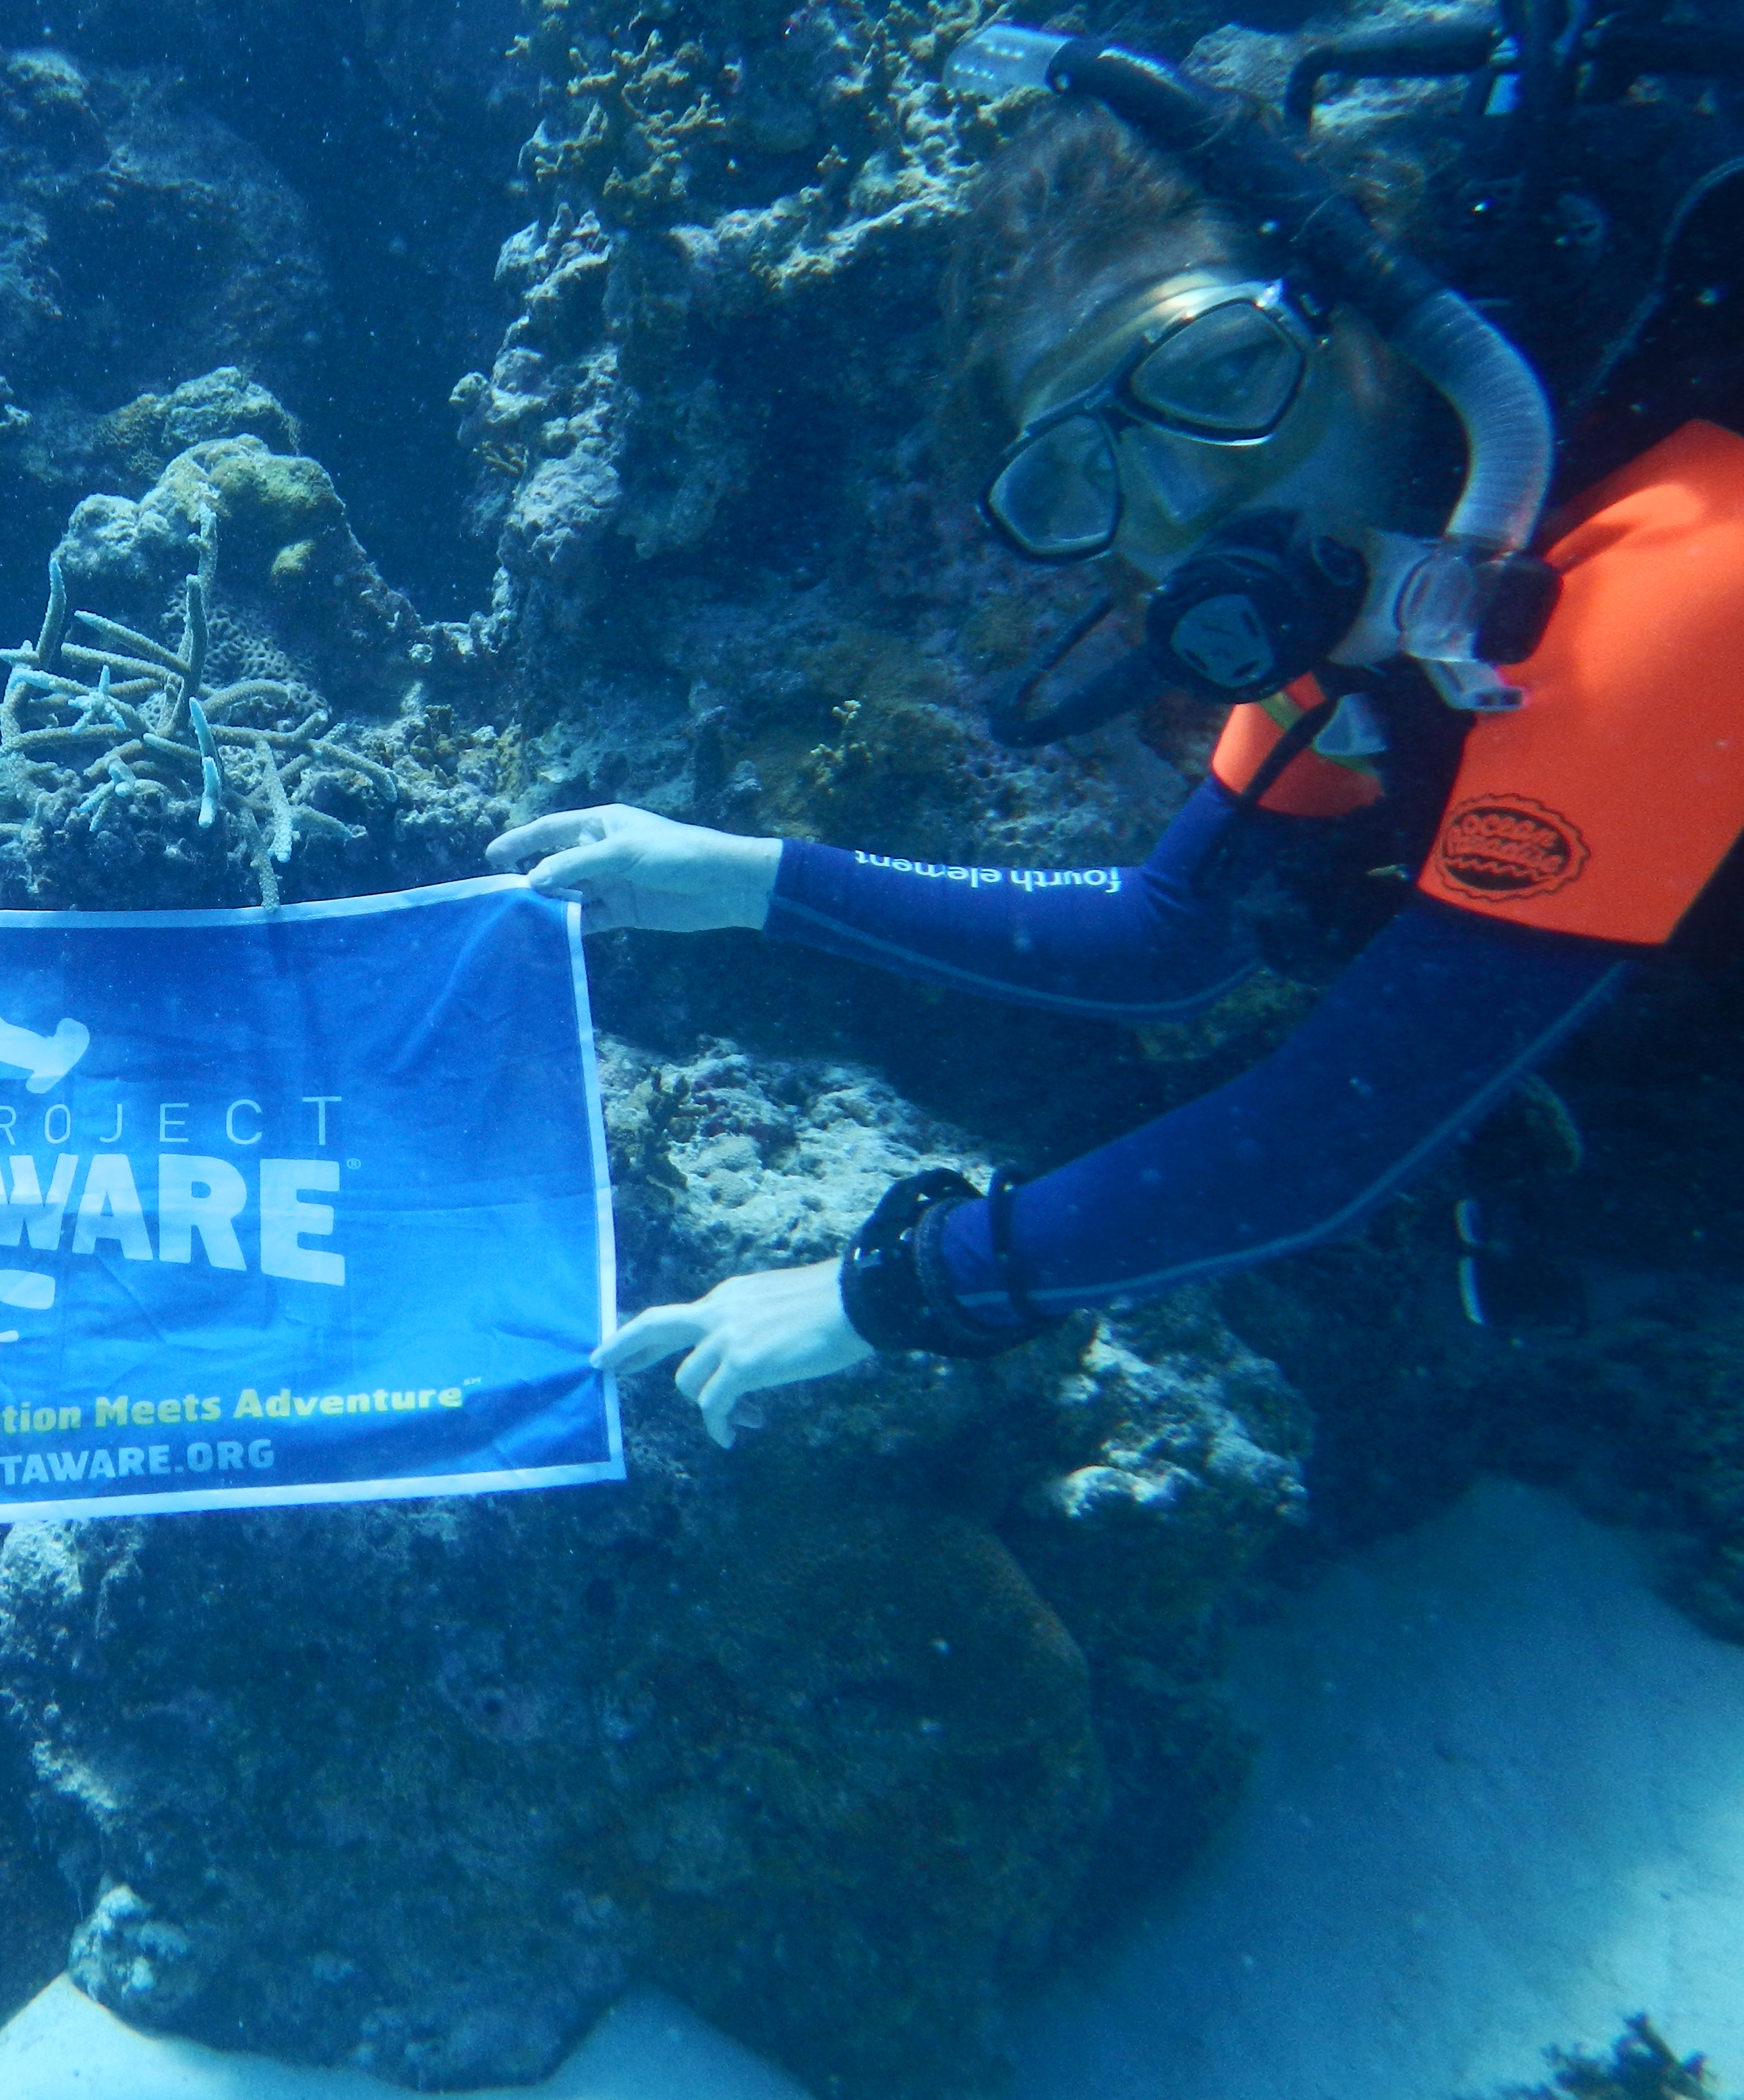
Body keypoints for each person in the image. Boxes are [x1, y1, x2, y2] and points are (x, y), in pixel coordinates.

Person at [494, 78, 1744, 1446]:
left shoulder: (1676, 583)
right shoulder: (1379, 607)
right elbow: (1170, 936)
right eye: (1085, 467)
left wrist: (894, 1293)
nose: (1189, 499)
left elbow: (1337, 1134)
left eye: (1219, 374)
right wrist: (747, 881)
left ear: (1372, 309)